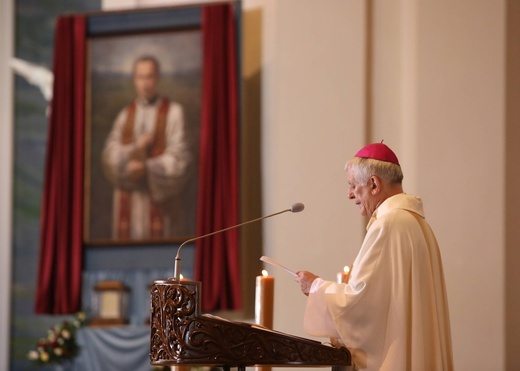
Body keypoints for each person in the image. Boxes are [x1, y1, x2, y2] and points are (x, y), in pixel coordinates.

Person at [296, 142, 453, 371]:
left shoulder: (388, 224)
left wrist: (316, 287)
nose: (349, 195)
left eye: (353, 186)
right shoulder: (417, 223)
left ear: (374, 184)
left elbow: (362, 304)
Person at [102, 55, 192, 240]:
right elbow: (110, 154)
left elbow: (181, 157)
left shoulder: (174, 113)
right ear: (135, 79)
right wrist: (135, 149)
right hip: (129, 199)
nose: (145, 83)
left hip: (160, 199)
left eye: (149, 77)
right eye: (140, 77)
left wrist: (147, 168)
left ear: (157, 78)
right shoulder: (125, 115)